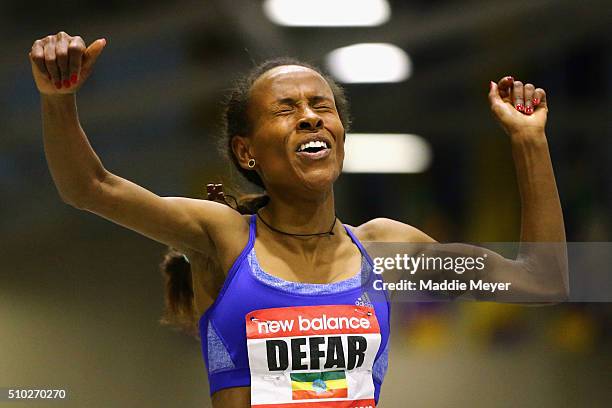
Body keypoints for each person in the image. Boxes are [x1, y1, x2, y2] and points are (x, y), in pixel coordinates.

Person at [29, 31, 567, 408]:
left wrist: (529, 143)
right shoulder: (224, 237)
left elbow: (543, 282)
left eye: (322, 105)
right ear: (246, 153)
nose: (310, 115)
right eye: (285, 109)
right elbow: (90, 188)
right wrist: (59, 101)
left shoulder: (385, 250)